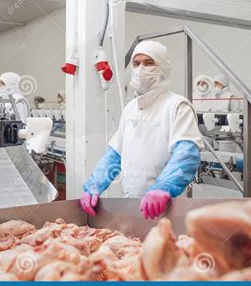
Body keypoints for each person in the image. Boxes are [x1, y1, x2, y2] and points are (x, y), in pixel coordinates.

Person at [80, 40, 204, 219]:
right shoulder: (130, 108)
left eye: (148, 63)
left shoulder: (177, 105)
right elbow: (115, 155)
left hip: (166, 205)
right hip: (130, 204)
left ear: (162, 67)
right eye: (136, 64)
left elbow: (187, 155)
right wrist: (94, 186)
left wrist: (162, 188)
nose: (140, 69)